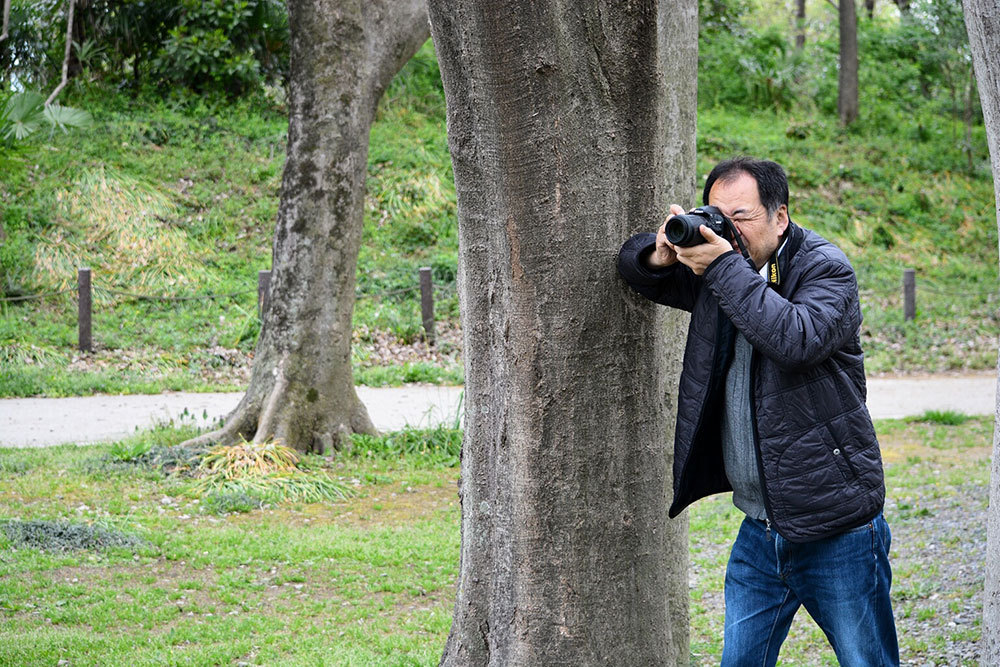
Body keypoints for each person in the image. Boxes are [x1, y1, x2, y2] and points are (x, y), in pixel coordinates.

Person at [617, 157, 899, 666]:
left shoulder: (826, 269)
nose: (729, 229)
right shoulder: (723, 272)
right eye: (718, 216)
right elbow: (641, 275)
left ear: (781, 217)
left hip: (836, 528)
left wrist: (723, 266)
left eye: (742, 216)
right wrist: (657, 256)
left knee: (868, 661)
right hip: (759, 528)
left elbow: (793, 339)